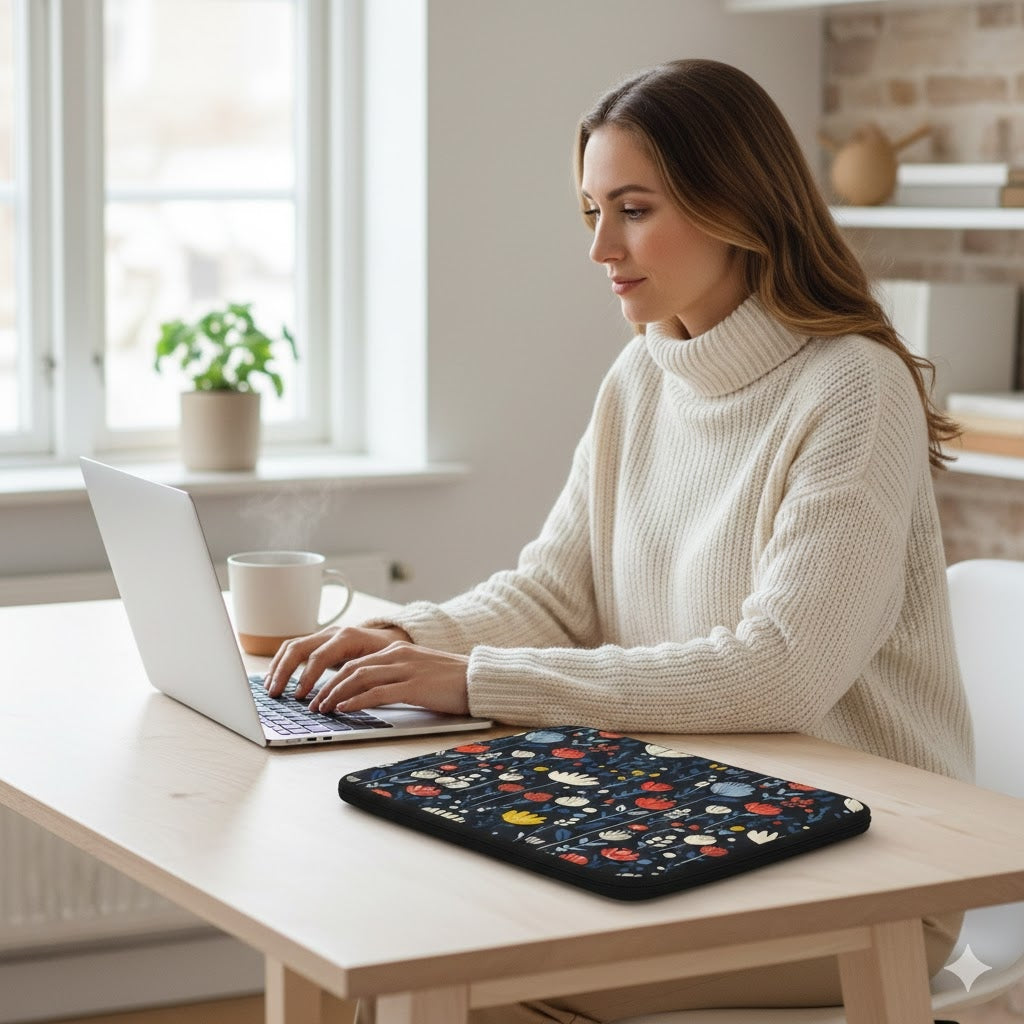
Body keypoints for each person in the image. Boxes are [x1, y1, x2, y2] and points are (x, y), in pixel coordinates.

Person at [265, 59, 973, 1021]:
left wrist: (471, 681)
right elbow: (556, 598)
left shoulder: (852, 389)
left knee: (444, 966)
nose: (601, 247)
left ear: (740, 205)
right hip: (679, 814)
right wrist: (410, 640)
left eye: (633, 209)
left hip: (867, 868)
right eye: (590, 210)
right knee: (378, 915)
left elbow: (783, 672)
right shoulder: (643, 375)